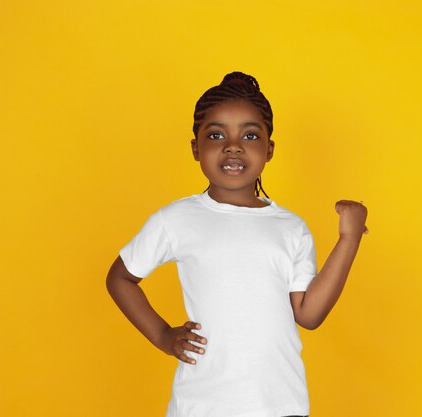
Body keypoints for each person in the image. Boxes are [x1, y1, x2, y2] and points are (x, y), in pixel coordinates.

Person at [106, 71, 368, 417]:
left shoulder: (291, 228)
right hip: (201, 405)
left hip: (279, 404)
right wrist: (164, 336)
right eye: (216, 134)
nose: (233, 146)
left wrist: (349, 239)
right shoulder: (177, 219)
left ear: (269, 149)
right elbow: (120, 278)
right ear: (196, 148)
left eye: (250, 135)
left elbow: (309, 314)